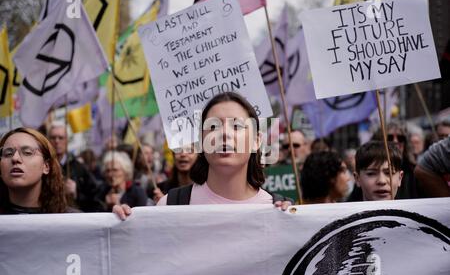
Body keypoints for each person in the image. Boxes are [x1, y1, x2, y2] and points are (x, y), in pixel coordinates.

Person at [114, 92, 291, 219]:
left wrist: (293, 221)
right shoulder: (171, 206)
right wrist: (123, 226)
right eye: (213, 127)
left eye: (236, 126)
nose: (224, 134)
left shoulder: (280, 210)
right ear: (200, 141)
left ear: (256, 140)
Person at [0, 127, 70, 214]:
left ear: (46, 166)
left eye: (27, 152)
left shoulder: (72, 221)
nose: (15, 158)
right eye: (8, 153)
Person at [48, 122, 100, 212]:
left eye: (61, 138)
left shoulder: (79, 167)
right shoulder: (42, 166)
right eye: (53, 137)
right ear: (47, 140)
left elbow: (95, 198)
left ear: (67, 140)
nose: (57, 141)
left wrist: (76, 193)